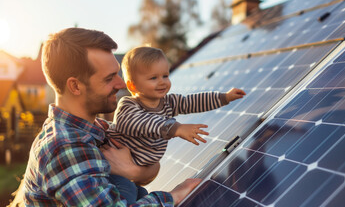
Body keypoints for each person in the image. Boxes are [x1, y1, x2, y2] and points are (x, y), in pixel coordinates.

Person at [23, 27, 201, 206]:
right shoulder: (65, 146)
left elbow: (150, 164)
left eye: (117, 73)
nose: (121, 83)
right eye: (109, 78)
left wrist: (134, 172)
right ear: (75, 86)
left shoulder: (97, 129)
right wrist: (174, 196)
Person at [107, 46, 246, 202]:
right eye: (153, 78)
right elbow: (137, 122)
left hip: (133, 175)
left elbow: (191, 102)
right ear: (132, 85)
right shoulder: (129, 105)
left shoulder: (168, 102)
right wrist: (175, 128)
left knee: (141, 197)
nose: (162, 82)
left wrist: (224, 97)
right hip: (113, 173)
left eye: (165, 76)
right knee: (126, 199)